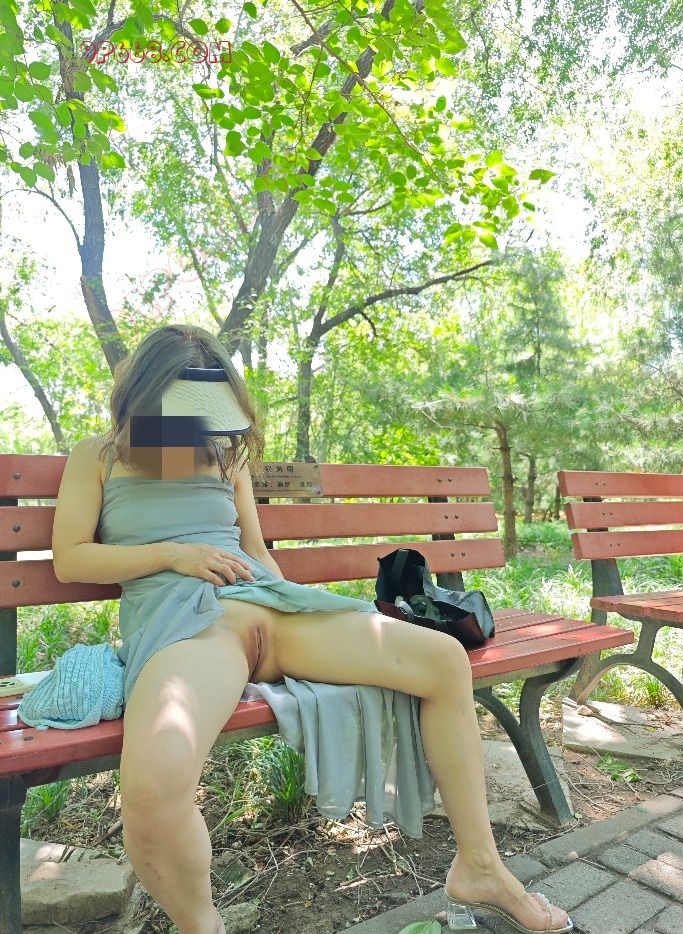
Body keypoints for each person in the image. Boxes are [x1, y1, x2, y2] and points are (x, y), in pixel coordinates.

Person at [51, 323, 572, 934]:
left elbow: (256, 550)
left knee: (442, 660)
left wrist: (296, 598)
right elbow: (70, 559)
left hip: (268, 606)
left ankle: (480, 866)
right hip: (187, 627)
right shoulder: (99, 456)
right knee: (154, 785)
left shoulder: (223, 456)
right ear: (144, 395)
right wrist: (174, 555)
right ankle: (201, 925)